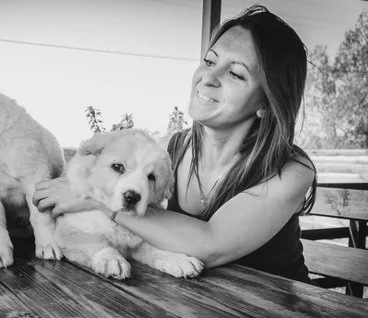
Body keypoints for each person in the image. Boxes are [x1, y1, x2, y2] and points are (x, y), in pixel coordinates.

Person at [33, 5, 317, 283]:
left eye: (235, 73)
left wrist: (92, 199)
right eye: (209, 61)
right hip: (196, 305)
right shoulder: (168, 151)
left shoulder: (292, 171)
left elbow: (212, 243)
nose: (209, 77)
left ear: (267, 103)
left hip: (281, 316)